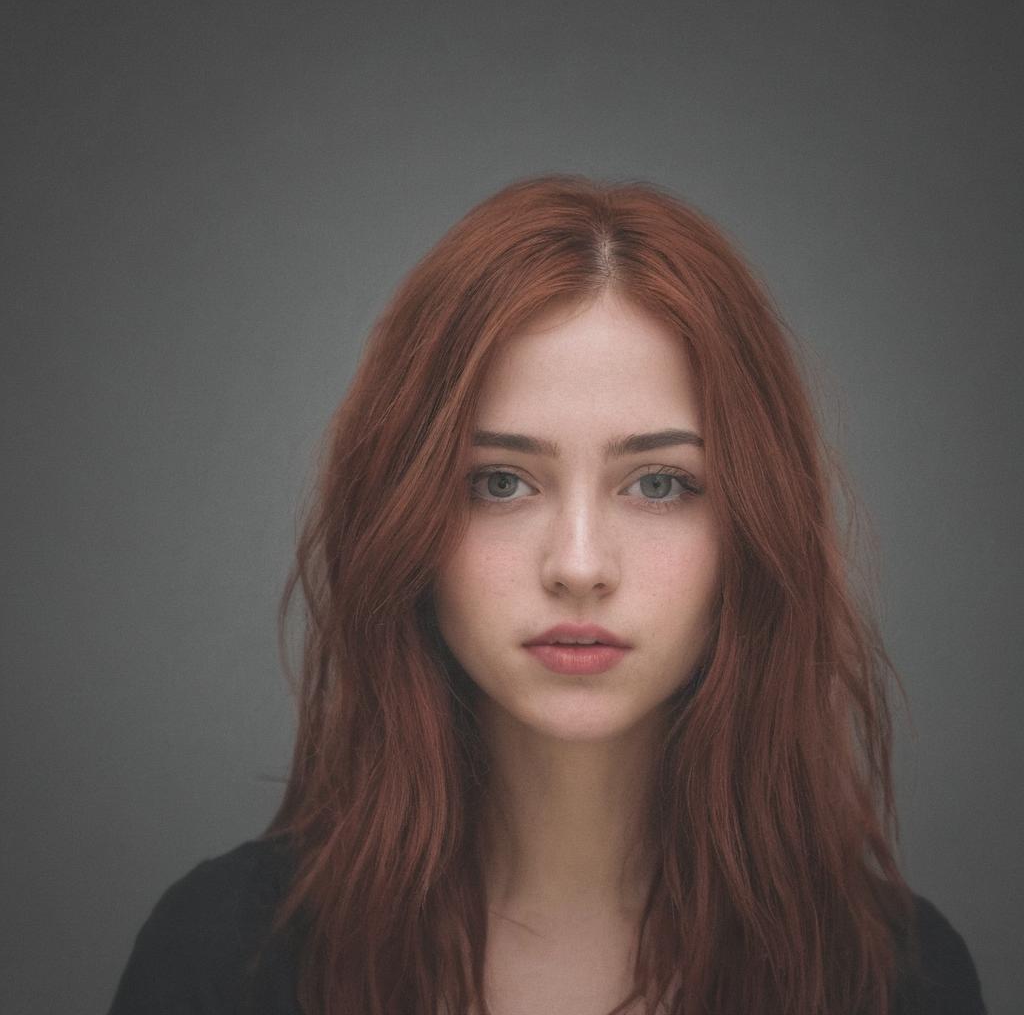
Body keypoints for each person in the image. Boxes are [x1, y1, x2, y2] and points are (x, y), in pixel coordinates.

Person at [108, 175, 987, 1015]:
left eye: (658, 485)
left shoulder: (895, 980)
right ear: (404, 519)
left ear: (754, 531)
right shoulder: (225, 959)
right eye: (499, 482)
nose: (577, 564)